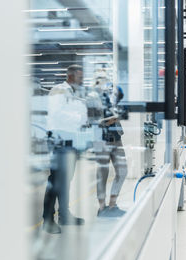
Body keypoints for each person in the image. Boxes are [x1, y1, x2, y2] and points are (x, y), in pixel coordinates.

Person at [42, 65, 86, 234]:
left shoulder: (76, 94)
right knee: (56, 180)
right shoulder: (58, 91)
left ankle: (64, 215)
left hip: (71, 140)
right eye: (79, 77)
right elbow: (56, 113)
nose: (81, 81)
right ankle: (47, 219)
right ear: (70, 76)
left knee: (66, 180)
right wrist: (79, 118)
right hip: (59, 140)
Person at [89, 72, 128, 218]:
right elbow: (91, 120)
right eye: (102, 81)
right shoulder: (91, 98)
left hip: (116, 138)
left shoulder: (110, 97)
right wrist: (107, 121)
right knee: (102, 174)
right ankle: (101, 208)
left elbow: (121, 97)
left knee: (122, 171)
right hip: (101, 140)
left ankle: (112, 204)